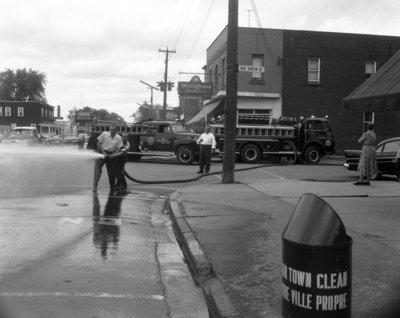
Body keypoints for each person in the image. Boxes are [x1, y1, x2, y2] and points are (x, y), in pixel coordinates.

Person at [93, 125, 123, 192]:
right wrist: (103, 152)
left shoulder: (119, 138)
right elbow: (98, 143)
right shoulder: (104, 134)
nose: (112, 131)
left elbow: (118, 148)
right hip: (101, 152)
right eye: (111, 130)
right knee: (97, 170)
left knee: (112, 172)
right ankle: (95, 187)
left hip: (111, 154)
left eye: (113, 130)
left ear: (116, 131)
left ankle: (112, 187)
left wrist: (114, 155)